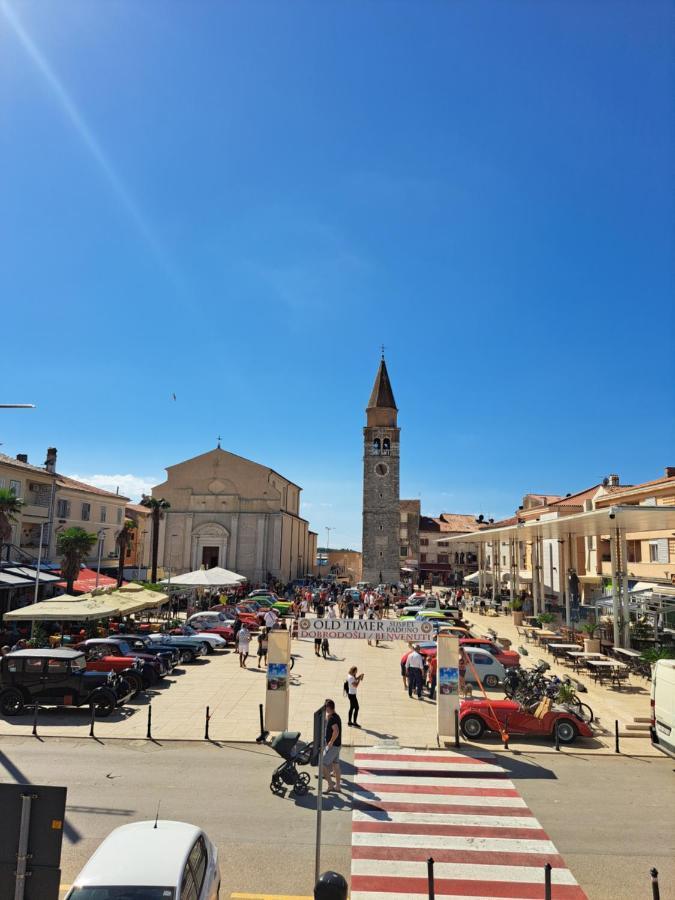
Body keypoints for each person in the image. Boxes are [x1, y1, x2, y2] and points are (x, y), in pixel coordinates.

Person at [322, 698, 342, 792]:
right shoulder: (335, 716)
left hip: (333, 746)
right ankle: (338, 786)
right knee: (336, 766)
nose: (325, 709)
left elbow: (336, 731)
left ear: (329, 708)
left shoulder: (333, 719)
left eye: (326, 707)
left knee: (323, 764)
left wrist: (330, 742)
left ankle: (330, 785)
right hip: (338, 746)